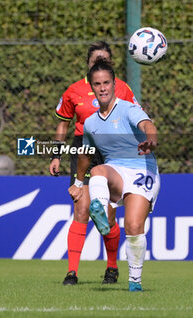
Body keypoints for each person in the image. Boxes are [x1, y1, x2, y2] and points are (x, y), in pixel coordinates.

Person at [49, 41, 139, 285]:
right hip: (83, 148)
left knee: (107, 215)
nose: (100, 64)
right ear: (88, 65)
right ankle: (72, 272)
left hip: (112, 150)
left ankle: (111, 267)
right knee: (81, 208)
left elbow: (136, 119)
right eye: (95, 61)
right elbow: (63, 124)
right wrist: (56, 154)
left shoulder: (122, 89)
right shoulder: (74, 91)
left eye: (105, 61)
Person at [69, 59, 160, 292]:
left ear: (114, 84)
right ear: (92, 87)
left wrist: (151, 139)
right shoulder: (90, 123)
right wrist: (79, 183)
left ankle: (135, 281)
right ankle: (97, 208)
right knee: (98, 170)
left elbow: (147, 124)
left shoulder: (128, 108)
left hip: (142, 168)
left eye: (106, 83)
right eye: (97, 84)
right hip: (115, 171)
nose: (102, 88)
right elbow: (86, 155)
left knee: (133, 225)